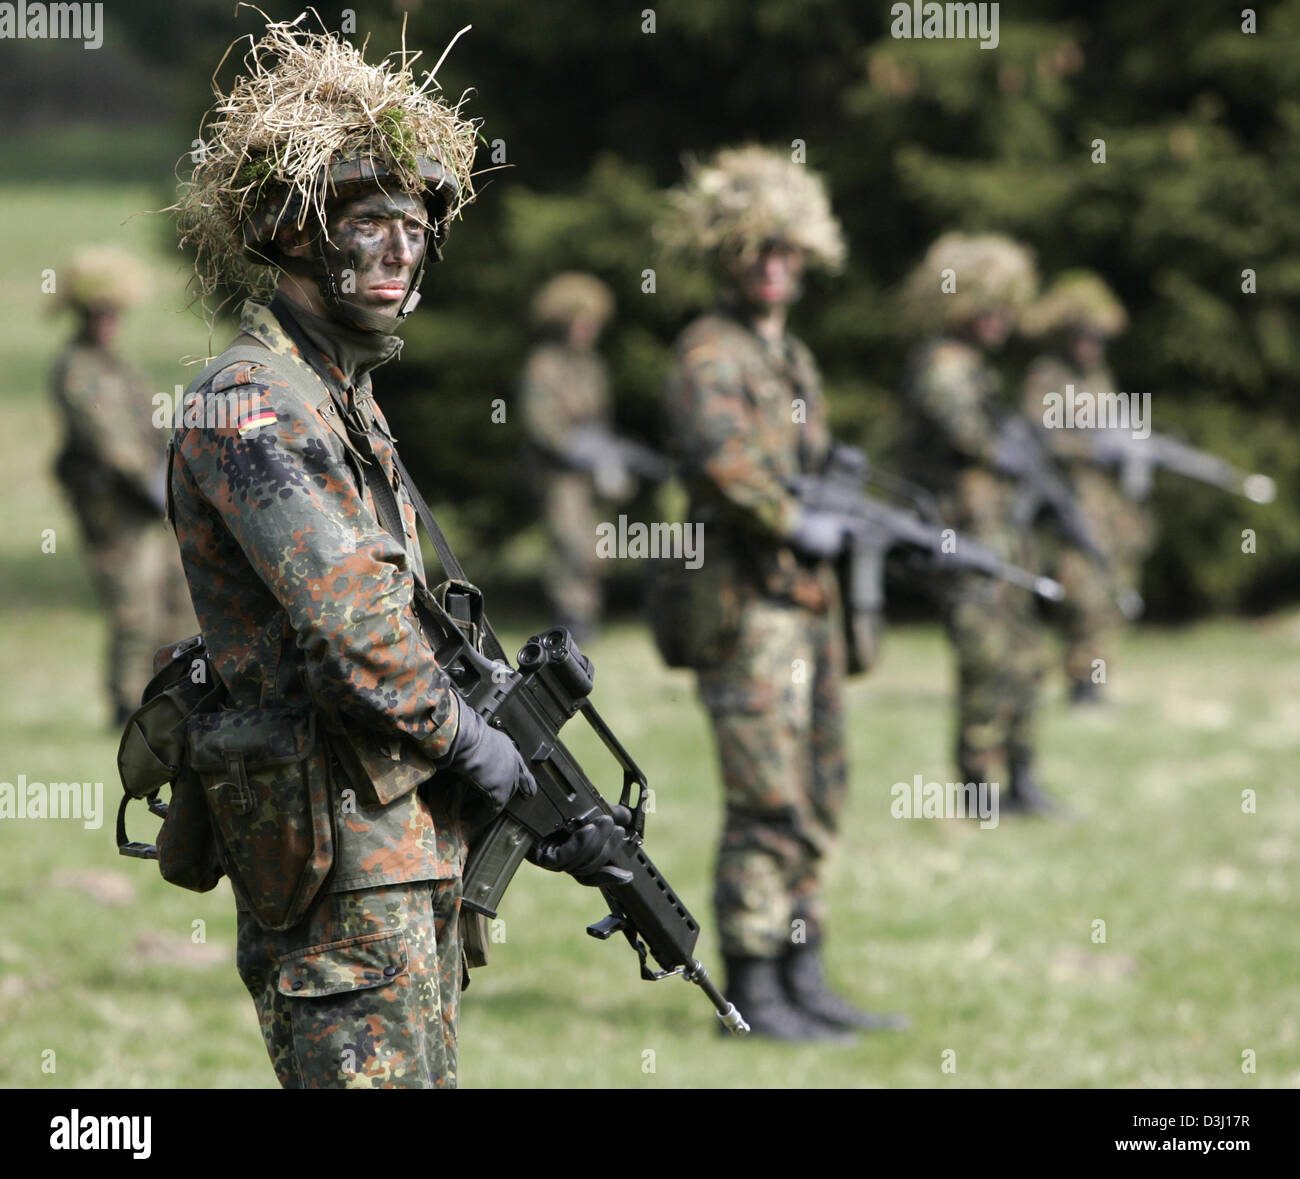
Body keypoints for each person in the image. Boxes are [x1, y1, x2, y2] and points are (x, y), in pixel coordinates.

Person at [167, 17, 617, 1089]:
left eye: (415, 227)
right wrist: (478, 746)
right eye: (367, 221)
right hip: (333, 849)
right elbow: (352, 626)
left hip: (395, 843)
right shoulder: (251, 402)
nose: (400, 249)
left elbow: (404, 610)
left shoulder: (345, 401)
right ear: (287, 232)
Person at [658, 145, 905, 1040]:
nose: (773, 265)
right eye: (757, 249)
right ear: (727, 253)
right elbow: (726, 467)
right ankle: (753, 990)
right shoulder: (708, 353)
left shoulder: (792, 357)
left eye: (787, 250)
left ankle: (805, 970)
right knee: (766, 799)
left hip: (808, 607)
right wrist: (795, 518)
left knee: (818, 790)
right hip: (747, 609)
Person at [900, 232, 1059, 815]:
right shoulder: (944, 367)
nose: (1003, 319)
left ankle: (1021, 779)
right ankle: (977, 791)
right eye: (991, 305)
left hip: (1000, 540)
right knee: (984, 661)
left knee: (1023, 657)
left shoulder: (975, 370)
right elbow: (969, 437)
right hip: (963, 539)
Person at [49, 245, 194, 725]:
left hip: (149, 504)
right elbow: (111, 445)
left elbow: (151, 429)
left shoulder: (119, 365)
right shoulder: (76, 369)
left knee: (175, 602)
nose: (107, 321)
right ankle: (125, 709)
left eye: (112, 312)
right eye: (98, 312)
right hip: (113, 511)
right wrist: (158, 487)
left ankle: (166, 701)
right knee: (133, 610)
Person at [1020, 271, 1150, 703]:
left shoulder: (1101, 378)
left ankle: (1098, 679)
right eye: (1082, 337)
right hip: (1066, 504)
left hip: (1106, 508)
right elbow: (1037, 435)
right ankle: (1080, 683)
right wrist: (1088, 449)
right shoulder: (1047, 376)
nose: (1089, 347)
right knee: (1082, 595)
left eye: (1097, 339)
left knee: (1113, 590)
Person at [520, 272, 621, 641]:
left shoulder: (593, 367)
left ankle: (588, 615)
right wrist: (574, 448)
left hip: (591, 473)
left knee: (595, 545)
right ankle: (572, 620)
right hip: (559, 474)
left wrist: (607, 458)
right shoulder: (544, 364)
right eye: (581, 322)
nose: (587, 329)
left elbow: (602, 420)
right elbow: (541, 424)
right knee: (569, 546)